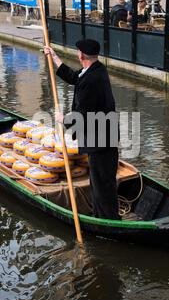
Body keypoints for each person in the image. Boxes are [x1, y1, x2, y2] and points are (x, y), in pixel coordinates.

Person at [44, 39, 120, 221]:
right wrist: (54, 57)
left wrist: (63, 119)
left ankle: (108, 220)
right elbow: (73, 77)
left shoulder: (90, 81)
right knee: (99, 181)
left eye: (78, 51)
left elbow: (83, 115)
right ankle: (100, 215)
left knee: (102, 183)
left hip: (99, 139)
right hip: (103, 135)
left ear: (81, 55)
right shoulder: (95, 69)